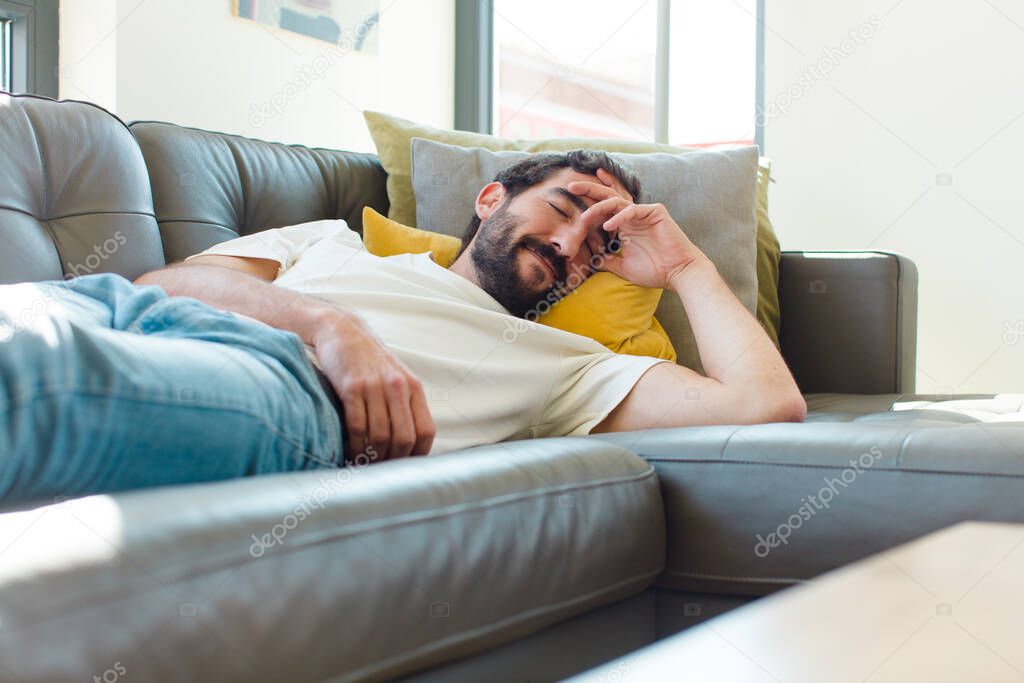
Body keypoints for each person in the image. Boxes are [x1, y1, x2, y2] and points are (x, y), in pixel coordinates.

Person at [0, 151, 804, 504]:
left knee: (41, 381)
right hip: (130, 309)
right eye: (561, 210)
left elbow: (765, 402)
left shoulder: (566, 365)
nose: (567, 245)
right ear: (492, 200)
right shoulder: (327, 241)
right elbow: (162, 282)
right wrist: (330, 325)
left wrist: (684, 264)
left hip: (286, 392)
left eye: (595, 245)